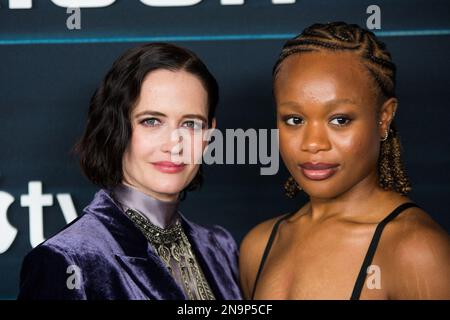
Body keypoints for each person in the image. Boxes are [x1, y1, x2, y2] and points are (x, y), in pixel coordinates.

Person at [240, 22, 450, 300]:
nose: (313, 143)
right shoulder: (260, 245)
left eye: (340, 120)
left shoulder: (416, 251)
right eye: (294, 120)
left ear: (384, 117)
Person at [18, 43, 242, 300]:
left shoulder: (220, 247)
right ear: (116, 128)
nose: (174, 144)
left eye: (191, 124)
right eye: (151, 121)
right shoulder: (67, 260)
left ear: (209, 134)